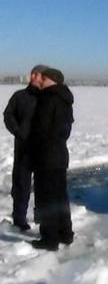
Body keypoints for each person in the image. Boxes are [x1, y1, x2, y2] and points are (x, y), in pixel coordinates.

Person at [29, 68, 75, 251]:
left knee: (47, 197)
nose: (39, 79)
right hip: (60, 153)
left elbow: (42, 128)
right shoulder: (64, 98)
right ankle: (65, 234)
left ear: (51, 79)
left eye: (43, 77)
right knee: (60, 196)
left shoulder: (48, 98)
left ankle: (49, 239)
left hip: (46, 155)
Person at [3, 65, 49, 231]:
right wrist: (18, 131)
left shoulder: (49, 98)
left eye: (39, 75)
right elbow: (8, 115)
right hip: (23, 148)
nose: (35, 77)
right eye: (34, 74)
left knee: (43, 186)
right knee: (21, 184)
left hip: (43, 149)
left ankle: (41, 219)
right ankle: (19, 218)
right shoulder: (20, 96)